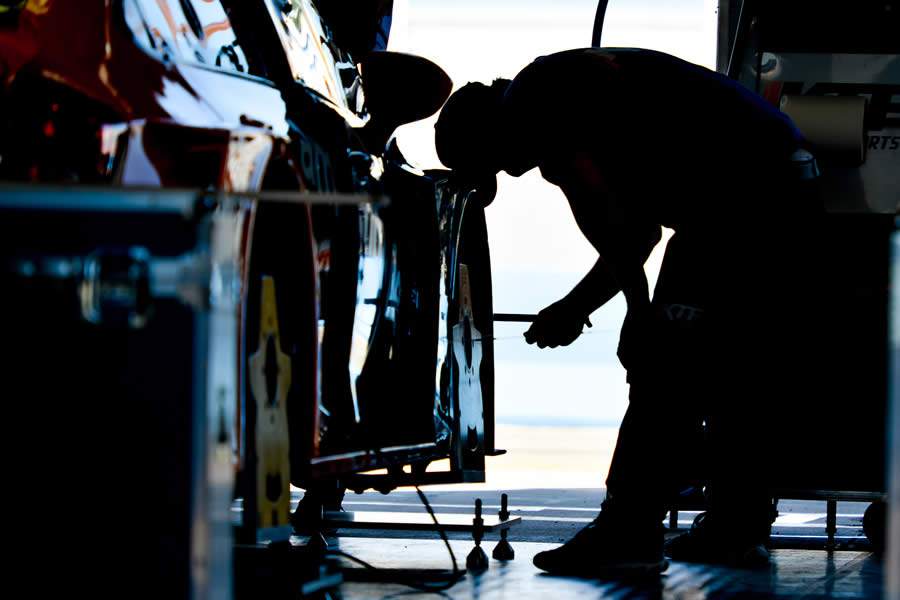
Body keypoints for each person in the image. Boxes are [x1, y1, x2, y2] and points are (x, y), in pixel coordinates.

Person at [434, 48, 820, 577]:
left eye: (496, 162)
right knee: (734, 369)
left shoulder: (537, 104)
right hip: (785, 190)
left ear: (490, 131)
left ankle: (628, 532)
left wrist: (627, 314)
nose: (515, 172)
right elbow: (634, 232)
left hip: (741, 203)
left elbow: (626, 235)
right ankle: (734, 528)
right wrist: (593, 308)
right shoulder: (557, 84)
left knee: (666, 367)